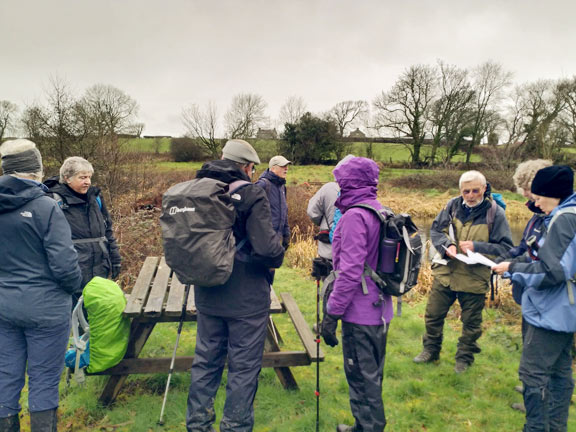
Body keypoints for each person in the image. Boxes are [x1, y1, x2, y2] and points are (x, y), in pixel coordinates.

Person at [186, 139, 285, 432]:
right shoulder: (250, 194)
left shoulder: (196, 190)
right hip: (246, 298)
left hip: (207, 290)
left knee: (205, 362)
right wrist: (277, 253)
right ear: (246, 166)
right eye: (252, 168)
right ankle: (235, 426)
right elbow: (268, 250)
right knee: (243, 367)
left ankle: (198, 425)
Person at [0, 139, 83, 432]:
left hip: (4, 307)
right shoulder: (46, 207)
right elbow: (65, 265)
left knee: (5, 377)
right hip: (46, 309)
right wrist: (76, 287)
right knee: (44, 380)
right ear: (35, 170)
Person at [493, 165, 576, 432]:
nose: (535, 202)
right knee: (560, 372)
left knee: (533, 374)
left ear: (553, 194)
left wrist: (513, 269)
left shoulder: (564, 218)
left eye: (538, 196)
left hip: (550, 312)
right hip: (565, 310)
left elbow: (553, 271)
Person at [413, 170, 513, 373]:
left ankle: (464, 359)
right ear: (461, 191)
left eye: (475, 190)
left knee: (471, 324)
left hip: (474, 278)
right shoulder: (451, 205)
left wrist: (478, 246)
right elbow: (436, 230)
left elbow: (507, 249)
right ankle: (430, 350)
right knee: (432, 315)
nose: (470, 195)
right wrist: (446, 245)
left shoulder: (496, 213)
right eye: (466, 191)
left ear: (484, 189)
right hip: (446, 274)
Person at [321, 157, 391, 432]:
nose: (338, 188)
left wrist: (332, 314)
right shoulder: (380, 210)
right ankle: (365, 425)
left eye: (341, 182)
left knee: (361, 377)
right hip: (381, 309)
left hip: (360, 313)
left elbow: (350, 273)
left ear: (350, 183)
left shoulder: (354, 216)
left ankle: (369, 427)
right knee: (372, 375)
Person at [44, 157, 121, 292]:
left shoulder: (95, 197)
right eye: (82, 177)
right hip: (72, 273)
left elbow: (107, 231)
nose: (88, 182)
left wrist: (115, 259)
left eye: (89, 177)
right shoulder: (53, 201)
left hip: (100, 270)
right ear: (67, 178)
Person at [255, 155, 291, 250]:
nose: (286, 169)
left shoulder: (282, 187)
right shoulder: (262, 185)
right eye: (283, 166)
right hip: (262, 239)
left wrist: (286, 234)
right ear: (273, 168)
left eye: (287, 166)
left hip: (276, 239)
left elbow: (284, 212)